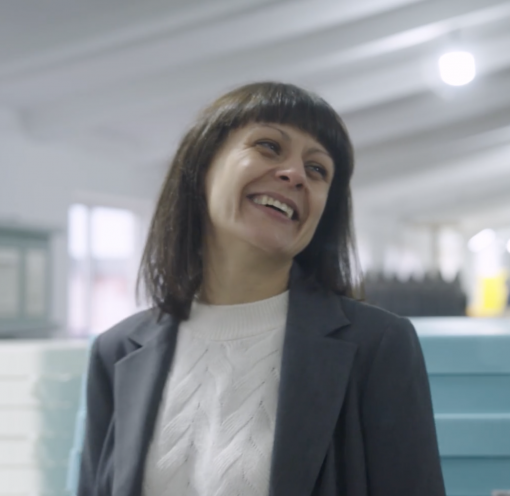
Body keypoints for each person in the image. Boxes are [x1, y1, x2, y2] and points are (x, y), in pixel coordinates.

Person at [78, 82, 446, 496]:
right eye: (269, 146)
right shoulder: (117, 351)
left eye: (317, 169)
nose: (295, 174)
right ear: (202, 167)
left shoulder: (378, 345)